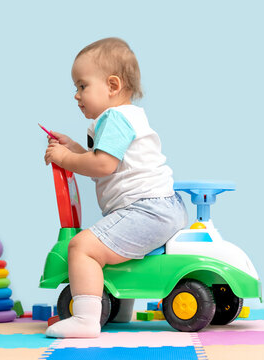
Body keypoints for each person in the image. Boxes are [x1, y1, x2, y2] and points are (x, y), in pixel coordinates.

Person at [43, 37, 187, 338]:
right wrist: (74, 148)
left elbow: (103, 166)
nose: (76, 95)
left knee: (82, 247)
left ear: (112, 85)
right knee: (106, 248)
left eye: (82, 86)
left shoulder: (115, 118)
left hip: (147, 209)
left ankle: (85, 319)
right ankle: (120, 311)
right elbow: (105, 161)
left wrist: (66, 158)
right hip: (160, 207)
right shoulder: (125, 118)